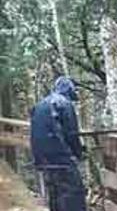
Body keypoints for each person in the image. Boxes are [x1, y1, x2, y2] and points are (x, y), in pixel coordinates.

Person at [29, 76, 87, 211]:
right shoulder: (64, 103)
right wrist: (78, 153)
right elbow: (71, 133)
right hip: (61, 158)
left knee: (55, 193)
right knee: (74, 193)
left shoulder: (40, 104)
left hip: (43, 160)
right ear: (70, 89)